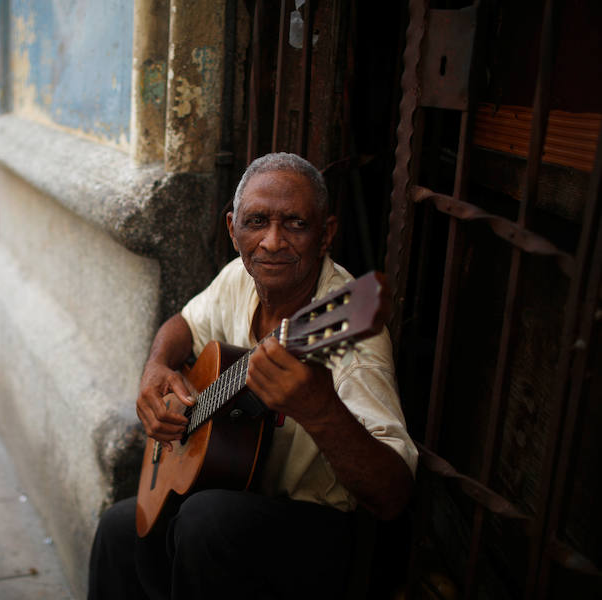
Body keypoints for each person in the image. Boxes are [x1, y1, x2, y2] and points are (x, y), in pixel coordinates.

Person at [88, 152, 418, 600]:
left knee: (206, 519)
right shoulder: (239, 279)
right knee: (116, 529)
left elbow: (392, 495)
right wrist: (157, 368)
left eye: (296, 224)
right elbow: (183, 325)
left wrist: (321, 411)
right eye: (257, 221)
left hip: (318, 532)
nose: (272, 242)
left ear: (326, 235)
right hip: (234, 492)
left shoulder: (352, 338)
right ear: (232, 229)